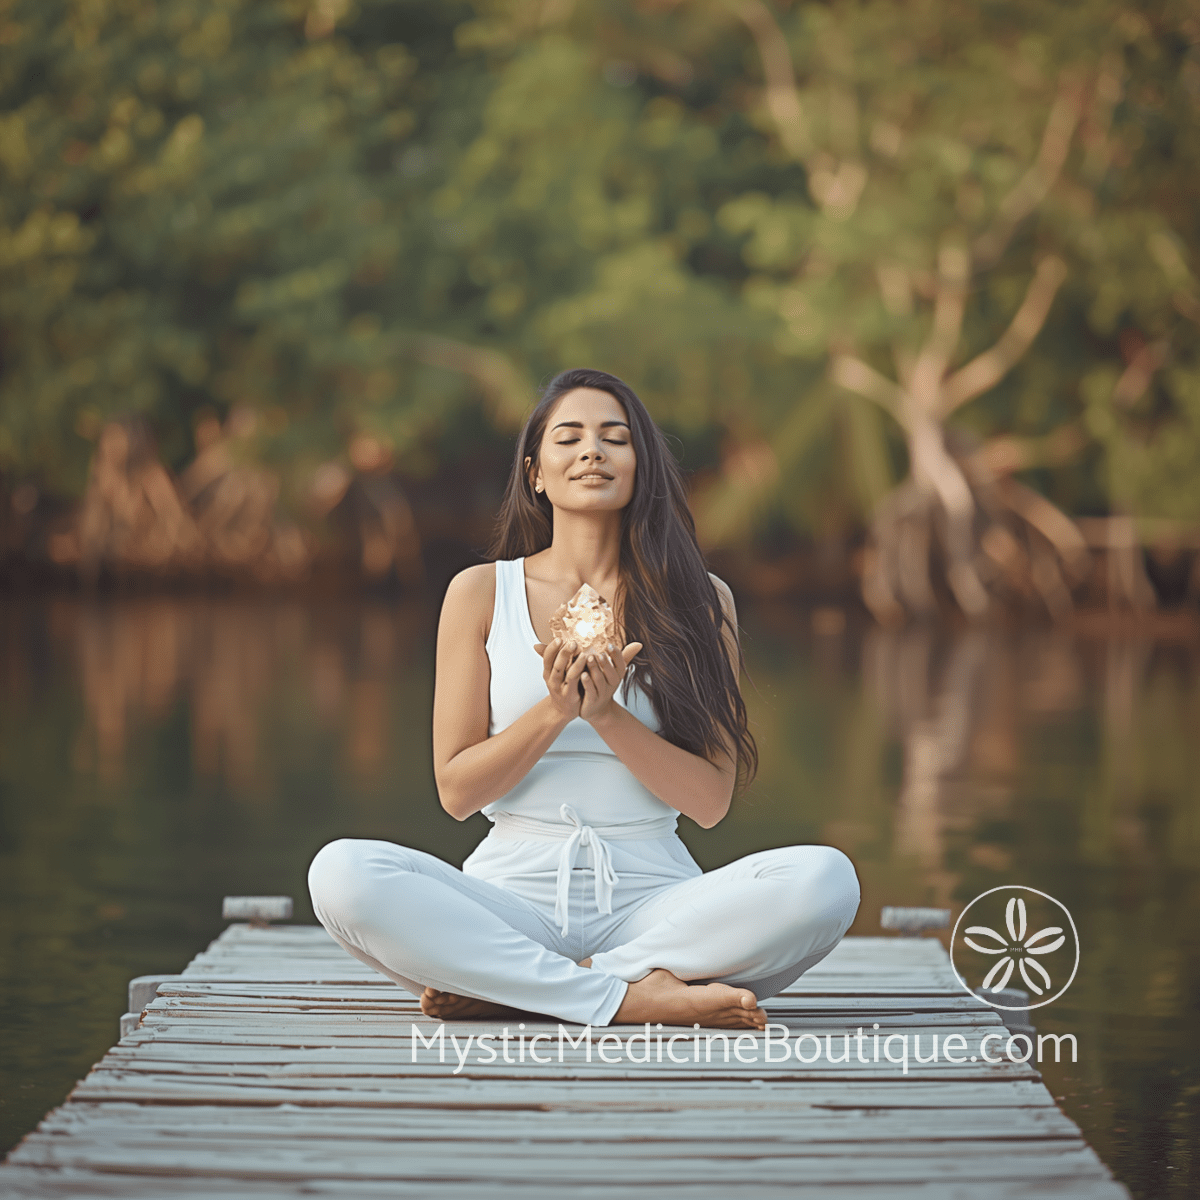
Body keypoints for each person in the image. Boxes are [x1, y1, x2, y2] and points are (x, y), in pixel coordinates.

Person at [308, 368, 861, 1030]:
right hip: (507, 899)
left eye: (614, 438)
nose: (592, 451)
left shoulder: (703, 601)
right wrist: (555, 711)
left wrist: (606, 715)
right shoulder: (481, 593)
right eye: (568, 437)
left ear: (641, 467)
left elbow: (711, 803)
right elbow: (457, 793)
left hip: (657, 905)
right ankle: (632, 996)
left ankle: (526, 985)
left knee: (827, 881)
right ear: (536, 472)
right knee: (340, 873)